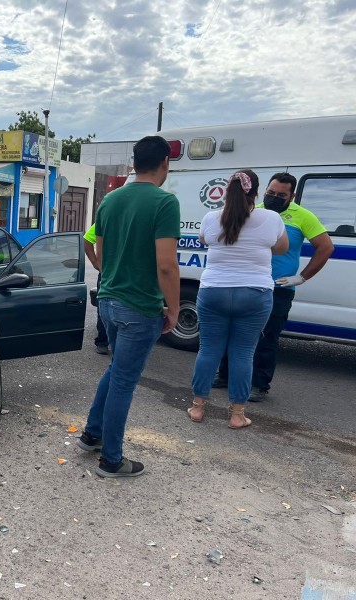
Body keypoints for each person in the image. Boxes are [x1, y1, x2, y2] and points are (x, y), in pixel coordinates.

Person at [76, 135, 180, 478]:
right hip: (139, 307)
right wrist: (174, 309)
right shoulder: (165, 203)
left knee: (116, 370)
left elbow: (102, 257)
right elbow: (166, 265)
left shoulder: (109, 200)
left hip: (108, 301)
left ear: (134, 162)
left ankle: (92, 434)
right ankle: (111, 459)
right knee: (123, 380)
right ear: (165, 162)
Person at [213, 173, 334, 402]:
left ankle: (259, 384)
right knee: (235, 331)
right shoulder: (255, 210)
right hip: (249, 282)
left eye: (281, 195)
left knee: (267, 337)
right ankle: (225, 375)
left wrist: (302, 277)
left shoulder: (303, 217)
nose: (274, 198)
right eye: (270, 193)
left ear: (292, 196)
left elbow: (326, 247)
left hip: (279, 287)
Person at [187, 170, 288, 429]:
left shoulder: (211, 218)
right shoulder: (272, 218)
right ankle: (237, 414)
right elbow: (281, 248)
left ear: (226, 191)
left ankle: (198, 408)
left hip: (214, 292)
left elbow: (204, 240)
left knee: (208, 350)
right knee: (243, 353)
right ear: (256, 192)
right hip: (255, 294)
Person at [83, 223, 109, 354]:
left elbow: (87, 241)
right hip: (109, 272)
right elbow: (87, 240)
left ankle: (103, 342)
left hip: (108, 272)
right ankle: (103, 341)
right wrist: (95, 263)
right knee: (104, 305)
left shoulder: (107, 217)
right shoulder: (106, 218)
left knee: (104, 305)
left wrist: (96, 263)